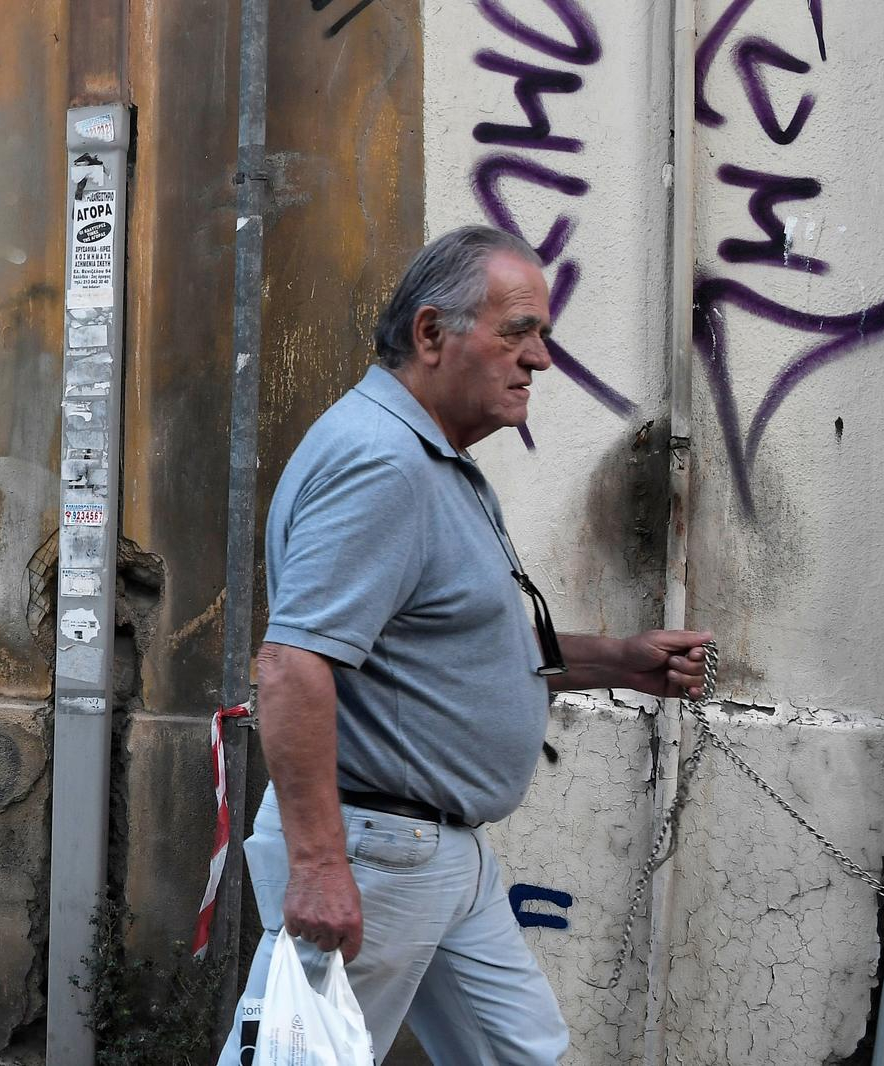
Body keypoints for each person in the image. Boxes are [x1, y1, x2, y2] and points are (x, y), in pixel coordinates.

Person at [218, 225, 712, 1065]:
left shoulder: (428, 456)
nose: (540, 360)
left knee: (522, 1054)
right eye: (517, 332)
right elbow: (292, 665)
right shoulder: (382, 464)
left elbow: (448, 652)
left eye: (541, 336)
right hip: (377, 850)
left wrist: (619, 660)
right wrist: (319, 864)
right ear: (430, 334)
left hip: (438, 853)